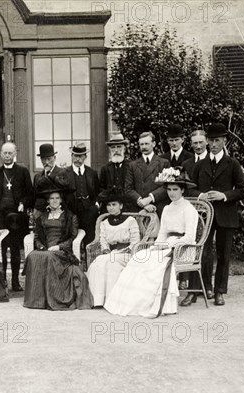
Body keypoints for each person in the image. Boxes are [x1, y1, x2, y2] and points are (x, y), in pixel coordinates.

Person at [105, 168, 199, 318]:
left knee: (154, 263)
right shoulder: (167, 209)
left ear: (182, 190)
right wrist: (157, 246)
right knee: (139, 257)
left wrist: (169, 245)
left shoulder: (189, 209)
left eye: (175, 189)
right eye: (169, 190)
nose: (172, 193)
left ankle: (154, 303)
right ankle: (135, 302)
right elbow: (162, 234)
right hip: (165, 245)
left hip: (183, 248)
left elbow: (189, 237)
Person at [188, 123, 244, 306]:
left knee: (223, 254)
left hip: (226, 214)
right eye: (211, 141)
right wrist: (200, 195)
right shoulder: (200, 165)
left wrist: (224, 195)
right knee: (204, 252)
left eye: (217, 140)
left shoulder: (233, 164)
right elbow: (189, 188)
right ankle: (206, 287)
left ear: (224, 141)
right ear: (206, 141)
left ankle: (219, 290)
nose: (213, 144)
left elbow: (242, 190)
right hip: (204, 216)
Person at [23, 176, 92, 310]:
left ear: (61, 200)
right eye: (51, 199)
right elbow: (36, 236)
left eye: (57, 198)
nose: (54, 201)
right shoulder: (41, 217)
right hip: (46, 249)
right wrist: (42, 247)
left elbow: (72, 237)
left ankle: (53, 297)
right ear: (48, 201)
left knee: (49, 256)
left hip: (62, 251)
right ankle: (37, 300)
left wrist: (59, 246)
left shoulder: (70, 217)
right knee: (33, 256)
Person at [0, 142, 33, 291]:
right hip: (1, 217)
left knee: (14, 249)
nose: (7, 156)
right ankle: (3, 282)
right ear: (1, 154)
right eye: (5, 153)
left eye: (10, 153)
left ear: (15, 154)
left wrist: (23, 203)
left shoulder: (23, 172)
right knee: (2, 247)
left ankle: (15, 281)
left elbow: (30, 194)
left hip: (17, 218)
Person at [86, 189, 140, 307]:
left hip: (127, 253)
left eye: (114, 205)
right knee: (98, 263)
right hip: (111, 253)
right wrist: (106, 250)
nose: (111, 208)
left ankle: (112, 300)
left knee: (110, 261)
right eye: (109, 205)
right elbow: (103, 240)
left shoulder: (130, 221)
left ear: (121, 205)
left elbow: (136, 241)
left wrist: (128, 249)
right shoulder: (104, 223)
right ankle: (98, 300)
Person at [179, 129, 210, 306]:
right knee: (192, 246)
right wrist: (199, 196)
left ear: (206, 142)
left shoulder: (211, 161)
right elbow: (185, 187)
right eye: (195, 143)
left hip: (210, 211)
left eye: (201, 142)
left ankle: (207, 286)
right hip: (191, 210)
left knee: (207, 249)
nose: (198, 146)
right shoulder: (187, 163)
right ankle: (193, 289)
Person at [125, 131, 171, 216]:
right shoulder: (133, 165)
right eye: (141, 144)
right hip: (138, 207)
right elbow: (128, 188)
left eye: (146, 144)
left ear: (153, 144)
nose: (144, 147)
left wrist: (150, 198)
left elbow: (166, 186)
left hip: (158, 207)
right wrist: (141, 202)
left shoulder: (164, 163)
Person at [65, 142, 100, 244]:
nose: (78, 159)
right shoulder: (65, 173)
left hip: (89, 210)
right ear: (72, 156)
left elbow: (97, 191)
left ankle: (89, 258)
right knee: (72, 238)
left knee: (89, 238)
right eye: (76, 156)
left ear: (85, 157)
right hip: (71, 210)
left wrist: (96, 205)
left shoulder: (92, 173)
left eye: (81, 156)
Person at [32, 143, 67, 217]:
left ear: (54, 158)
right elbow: (35, 197)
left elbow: (66, 197)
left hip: (59, 215)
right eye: (43, 159)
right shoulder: (37, 177)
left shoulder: (63, 173)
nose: (46, 162)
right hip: (41, 216)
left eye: (49, 159)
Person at [98, 134, 130, 213]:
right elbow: (101, 189)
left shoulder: (131, 166)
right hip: (109, 207)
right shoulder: (105, 168)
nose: (116, 150)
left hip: (128, 206)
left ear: (124, 149)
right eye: (113, 147)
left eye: (119, 147)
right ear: (110, 150)